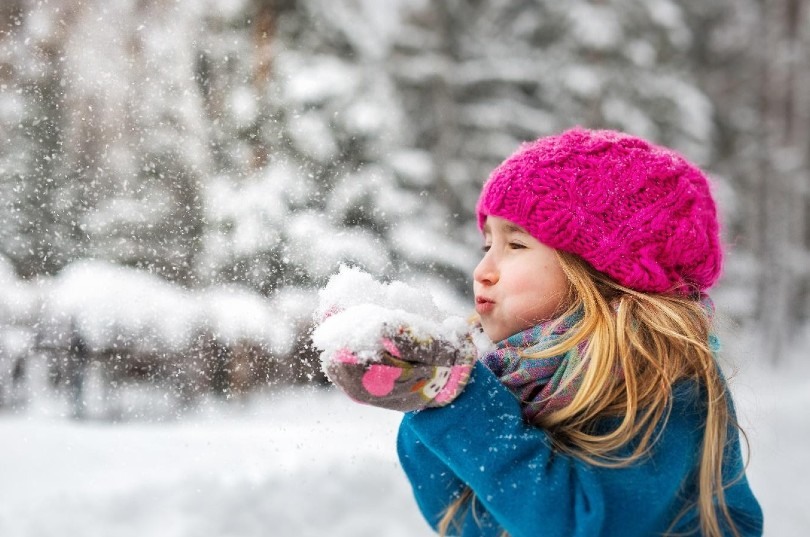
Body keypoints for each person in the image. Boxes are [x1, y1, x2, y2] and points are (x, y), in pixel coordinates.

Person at [313, 127, 763, 536]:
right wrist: (427, 394)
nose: (483, 270)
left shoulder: (657, 381)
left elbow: (582, 525)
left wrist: (460, 401)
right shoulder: (529, 375)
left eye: (516, 244)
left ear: (598, 271)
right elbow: (465, 517)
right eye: (487, 244)